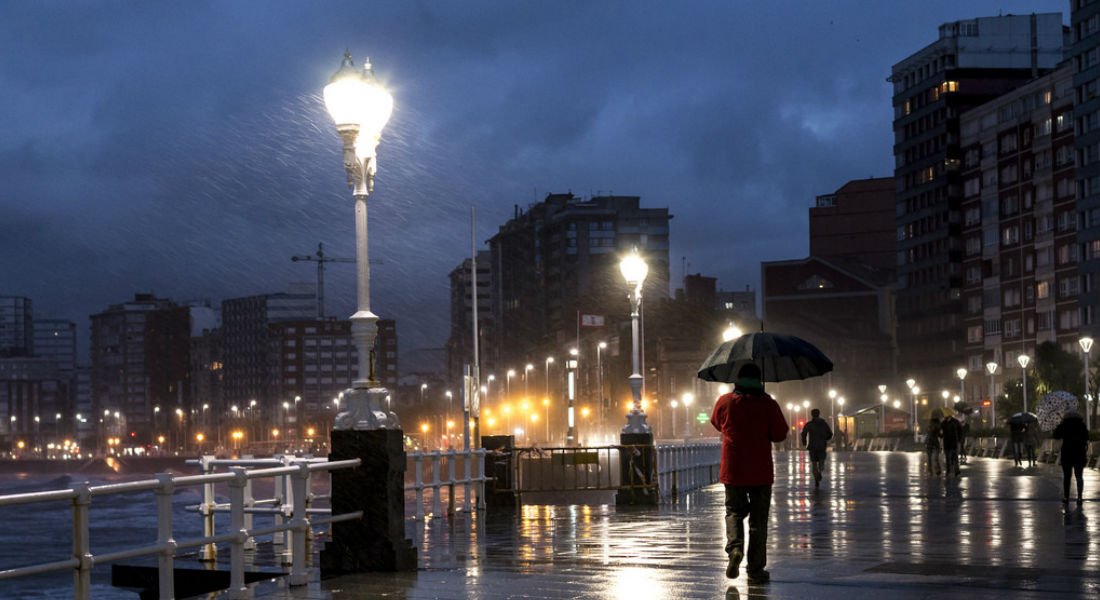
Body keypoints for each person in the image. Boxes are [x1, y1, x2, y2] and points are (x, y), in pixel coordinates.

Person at [710, 363, 788, 584]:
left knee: (734, 512)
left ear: (739, 378)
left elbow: (716, 422)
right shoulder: (768, 404)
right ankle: (755, 569)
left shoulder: (725, 401)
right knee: (758, 521)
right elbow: (780, 433)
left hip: (733, 468)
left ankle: (735, 549)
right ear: (759, 380)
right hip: (761, 471)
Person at [1053, 410, 1089, 506]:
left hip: (1067, 454)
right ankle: (1080, 497)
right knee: (1079, 476)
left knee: (1067, 477)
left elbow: (1056, 436)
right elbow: (1086, 437)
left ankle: (1066, 497)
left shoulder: (1064, 425)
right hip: (1079, 454)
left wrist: (1060, 425)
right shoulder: (1082, 426)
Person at [800, 408, 832, 488]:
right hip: (821, 446)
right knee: (821, 462)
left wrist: (804, 442)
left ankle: (816, 477)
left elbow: (803, 433)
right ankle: (820, 472)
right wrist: (825, 439)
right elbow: (830, 434)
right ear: (819, 414)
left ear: (812, 415)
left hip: (813, 446)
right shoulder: (824, 424)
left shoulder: (809, 424)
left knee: (814, 463)